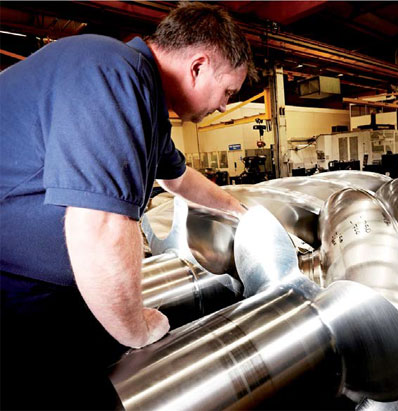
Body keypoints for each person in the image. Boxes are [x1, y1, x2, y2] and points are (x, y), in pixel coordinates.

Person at [0, 3, 256, 409]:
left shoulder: (142, 98)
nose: (225, 106)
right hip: (14, 295)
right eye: (227, 92)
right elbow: (99, 226)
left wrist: (238, 211)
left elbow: (177, 178)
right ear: (198, 66)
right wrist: (137, 328)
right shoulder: (112, 72)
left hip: (47, 289)